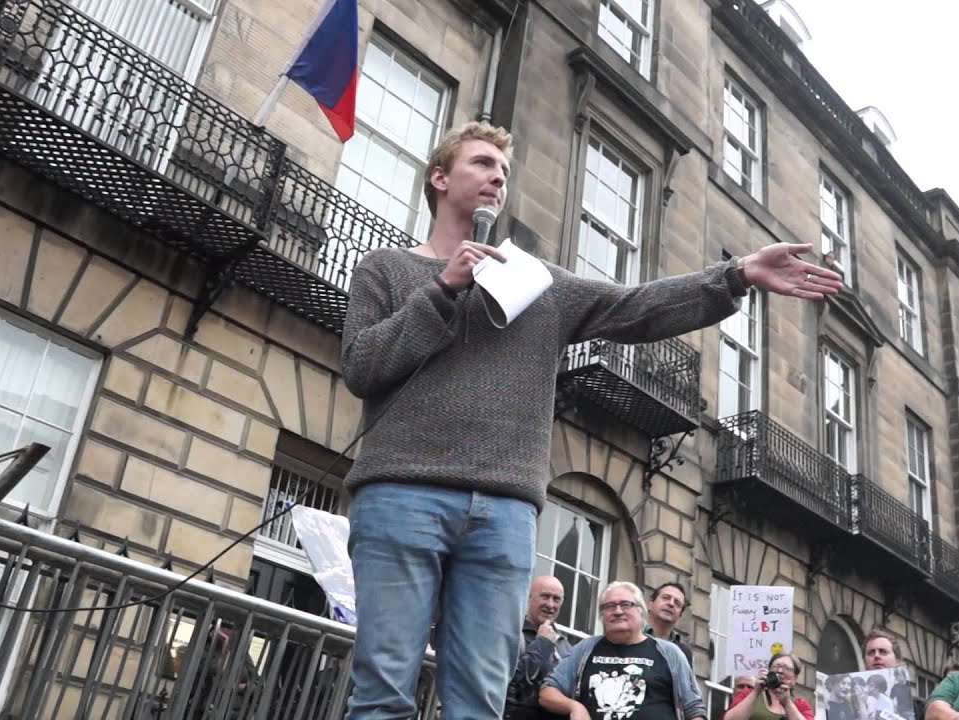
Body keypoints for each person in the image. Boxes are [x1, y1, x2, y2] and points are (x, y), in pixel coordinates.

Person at [339, 119, 842, 720]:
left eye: (503, 170)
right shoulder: (386, 270)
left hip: (503, 511)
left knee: (477, 699)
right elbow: (363, 367)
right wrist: (442, 290)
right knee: (383, 690)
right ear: (440, 178)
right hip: (402, 493)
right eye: (480, 164)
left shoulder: (537, 285)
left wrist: (734, 276)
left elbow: (635, 307)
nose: (497, 177)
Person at [540, 582, 707, 720]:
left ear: (641, 612)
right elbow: (547, 692)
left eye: (626, 605)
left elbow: (694, 709)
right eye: (610, 606)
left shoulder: (670, 653)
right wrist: (574, 707)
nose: (618, 611)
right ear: (602, 615)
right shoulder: (585, 649)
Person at [506, 576, 575, 720]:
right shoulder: (511, 634)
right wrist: (542, 644)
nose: (550, 605)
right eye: (545, 596)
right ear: (529, 598)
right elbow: (508, 685)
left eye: (556, 599)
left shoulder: (565, 646)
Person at [723, 652, 814, 720]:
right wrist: (756, 691)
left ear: (795, 678)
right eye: (776, 666)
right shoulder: (749, 694)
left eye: (786, 668)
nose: (780, 671)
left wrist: (787, 703)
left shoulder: (800, 705)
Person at [645, 582, 696, 668]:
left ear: (680, 615)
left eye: (677, 603)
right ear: (650, 604)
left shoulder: (684, 654)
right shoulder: (630, 636)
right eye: (665, 598)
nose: (671, 604)